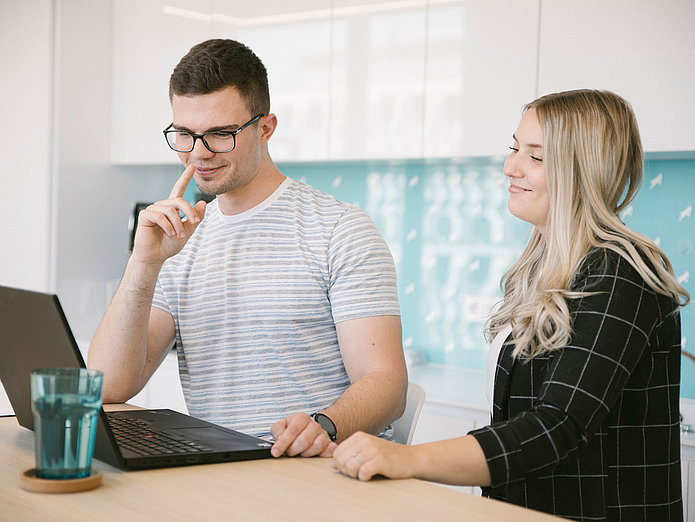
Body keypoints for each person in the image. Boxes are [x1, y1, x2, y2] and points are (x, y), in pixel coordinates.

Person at [331, 89, 689, 521]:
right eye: (514, 148)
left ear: (585, 169)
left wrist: (406, 459)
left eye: (536, 157)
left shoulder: (619, 271)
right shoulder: (548, 267)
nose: (510, 166)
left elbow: (558, 425)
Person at [87, 39, 407, 459]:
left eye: (220, 134)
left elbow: (387, 382)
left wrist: (323, 426)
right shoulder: (179, 242)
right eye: (185, 134)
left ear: (265, 128)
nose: (199, 154)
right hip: (222, 474)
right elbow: (108, 386)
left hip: (320, 475)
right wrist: (143, 263)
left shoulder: (339, 229)